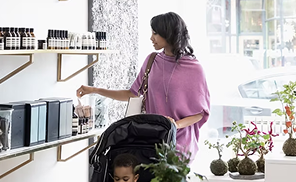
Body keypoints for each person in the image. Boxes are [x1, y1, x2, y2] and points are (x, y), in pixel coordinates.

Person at [77, 12, 210, 157]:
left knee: (170, 179)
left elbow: (200, 113)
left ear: (169, 33)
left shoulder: (193, 68)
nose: (151, 38)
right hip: (152, 141)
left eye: (155, 33)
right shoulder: (152, 61)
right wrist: (94, 90)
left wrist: (174, 125)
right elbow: (132, 94)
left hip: (180, 145)